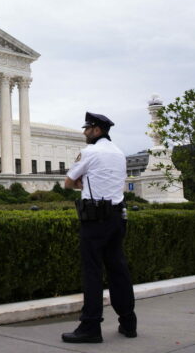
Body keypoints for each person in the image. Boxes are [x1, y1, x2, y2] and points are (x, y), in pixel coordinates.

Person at [61, 112, 137, 343]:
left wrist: (81, 182)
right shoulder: (119, 153)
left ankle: (91, 327)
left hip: (95, 220)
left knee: (92, 272)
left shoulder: (89, 152)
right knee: (118, 270)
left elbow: (67, 182)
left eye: (87, 129)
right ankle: (128, 323)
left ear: (96, 130)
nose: (84, 133)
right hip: (117, 217)